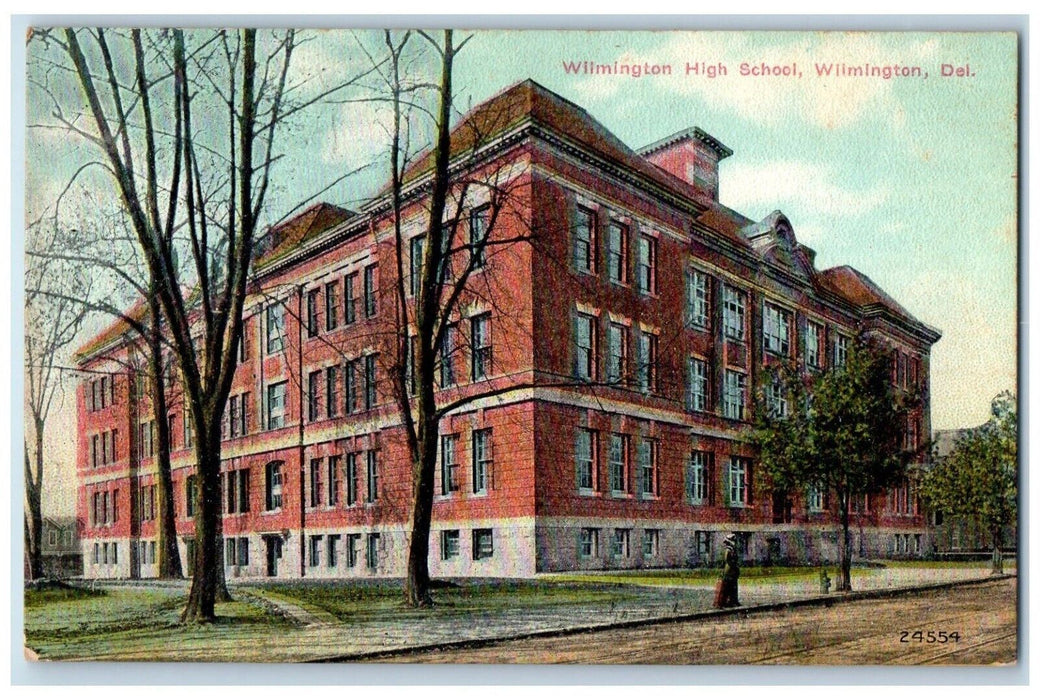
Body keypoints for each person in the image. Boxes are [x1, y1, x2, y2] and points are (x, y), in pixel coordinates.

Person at [714, 533, 741, 608]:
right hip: (729, 569)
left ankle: (733, 600)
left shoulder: (732, 549)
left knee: (733, 585)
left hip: (733, 569)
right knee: (728, 585)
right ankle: (725, 601)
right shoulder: (728, 549)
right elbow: (727, 560)